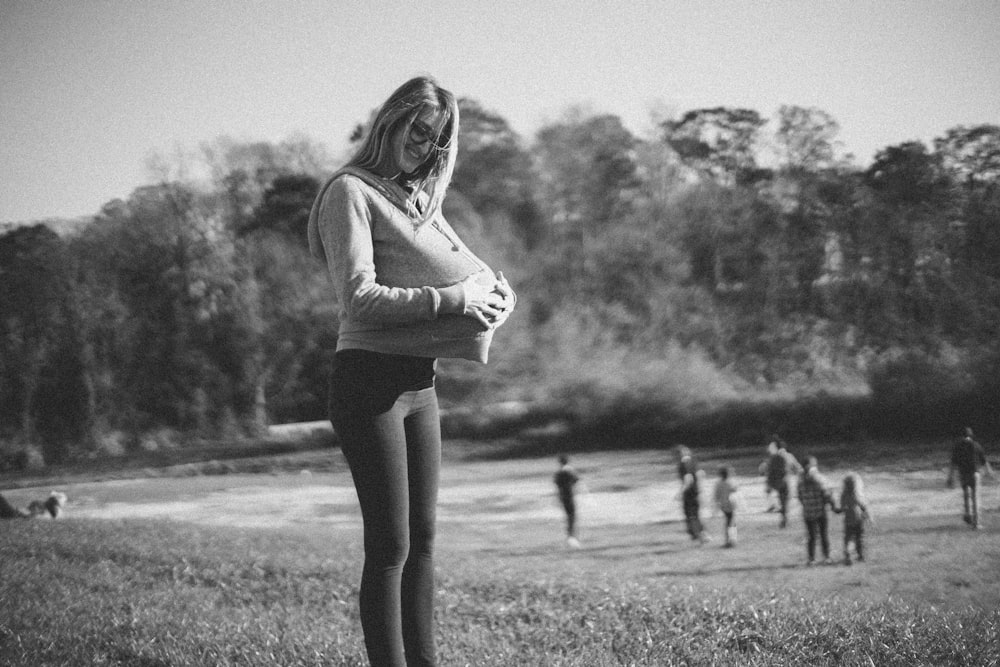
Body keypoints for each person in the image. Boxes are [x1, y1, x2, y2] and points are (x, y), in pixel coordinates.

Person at [307, 75, 516, 667]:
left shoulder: (419, 202)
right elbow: (358, 298)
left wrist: (500, 299)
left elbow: (479, 274)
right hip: (368, 382)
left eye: (435, 141)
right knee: (390, 548)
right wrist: (453, 301)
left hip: (419, 386)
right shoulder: (350, 192)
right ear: (391, 121)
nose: (422, 147)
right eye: (417, 131)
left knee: (423, 543)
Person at [948, 427, 993, 529]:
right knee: (975, 498)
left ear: (962, 436)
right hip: (974, 473)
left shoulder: (958, 447)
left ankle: (968, 514)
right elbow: (984, 461)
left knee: (966, 496)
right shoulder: (976, 445)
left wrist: (950, 477)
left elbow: (953, 463)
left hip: (963, 474)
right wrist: (989, 472)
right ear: (971, 436)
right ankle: (976, 523)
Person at [797, 456, 837, 565]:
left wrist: (806, 504)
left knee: (811, 536)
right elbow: (827, 494)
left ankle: (811, 558)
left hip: (808, 512)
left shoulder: (800, 480)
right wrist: (833, 506)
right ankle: (827, 557)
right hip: (821, 511)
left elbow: (799, 496)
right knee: (824, 535)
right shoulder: (819, 478)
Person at [763, 436, 803, 528]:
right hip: (787, 480)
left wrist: (769, 482)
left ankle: (780, 512)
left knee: (781, 499)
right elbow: (798, 468)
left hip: (779, 481)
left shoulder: (775, 457)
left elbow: (770, 471)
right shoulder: (788, 456)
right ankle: (783, 514)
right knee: (785, 500)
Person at [835, 472, 871, 565]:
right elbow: (863, 506)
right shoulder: (856, 495)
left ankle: (848, 552)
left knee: (849, 538)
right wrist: (868, 516)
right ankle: (860, 556)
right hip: (858, 519)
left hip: (848, 520)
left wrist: (837, 510)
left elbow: (842, 508)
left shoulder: (843, 496)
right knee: (859, 538)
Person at [676, 445, 708, 544]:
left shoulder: (682, 465)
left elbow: (688, 479)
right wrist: (701, 489)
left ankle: (700, 536)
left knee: (691, 515)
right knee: (697, 514)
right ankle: (700, 534)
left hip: (689, 493)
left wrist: (680, 493)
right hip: (697, 492)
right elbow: (701, 474)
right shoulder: (694, 461)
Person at [554, 455, 581, 547]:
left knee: (568, 517)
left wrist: (558, 498)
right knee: (572, 517)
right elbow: (576, 480)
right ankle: (571, 537)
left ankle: (570, 537)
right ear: (568, 461)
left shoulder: (558, 473)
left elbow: (557, 485)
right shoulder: (569, 471)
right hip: (570, 496)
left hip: (563, 497)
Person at [713, 465, 739, 547]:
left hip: (723, 506)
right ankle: (732, 540)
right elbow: (735, 489)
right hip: (730, 505)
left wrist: (716, 505)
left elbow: (716, 496)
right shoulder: (728, 483)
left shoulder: (718, 484)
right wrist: (733, 477)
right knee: (731, 522)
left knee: (728, 522)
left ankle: (729, 540)